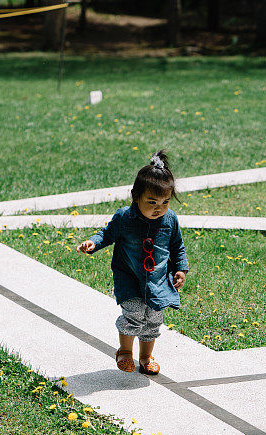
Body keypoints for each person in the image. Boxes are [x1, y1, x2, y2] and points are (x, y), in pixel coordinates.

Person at [76, 150, 189, 375]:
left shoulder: (170, 219)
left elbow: (178, 246)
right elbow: (106, 234)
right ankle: (125, 352)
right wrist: (92, 243)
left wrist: (181, 269)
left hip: (158, 280)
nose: (159, 207)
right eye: (152, 202)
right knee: (134, 314)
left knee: (154, 318)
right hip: (129, 276)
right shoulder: (124, 217)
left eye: (165, 202)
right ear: (135, 196)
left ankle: (146, 357)